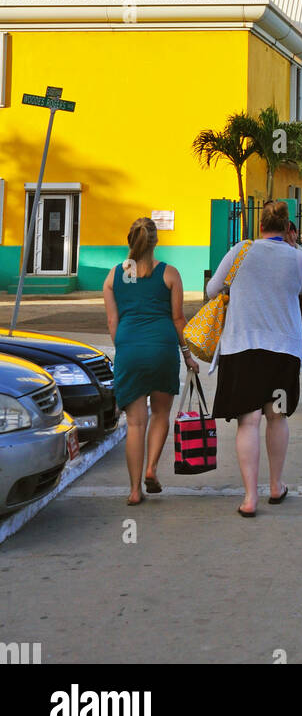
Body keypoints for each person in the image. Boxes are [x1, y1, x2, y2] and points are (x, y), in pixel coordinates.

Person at [207, 201, 302, 517]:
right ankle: (276, 486)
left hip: (243, 348)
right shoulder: (297, 257)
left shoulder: (241, 250)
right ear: (287, 227)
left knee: (248, 420)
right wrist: (296, 250)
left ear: (259, 225)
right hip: (283, 350)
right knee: (277, 416)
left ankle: (250, 498)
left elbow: (213, 289)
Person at [103, 216, 198, 505]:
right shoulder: (169, 274)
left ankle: (134, 491)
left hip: (129, 348)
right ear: (155, 241)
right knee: (160, 414)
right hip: (162, 349)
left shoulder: (114, 275)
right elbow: (178, 319)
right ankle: (151, 468)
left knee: (134, 424)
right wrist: (188, 355)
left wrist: (125, 345)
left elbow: (111, 320)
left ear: (130, 240)